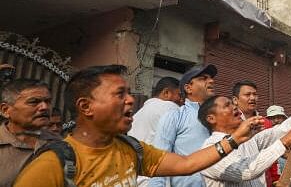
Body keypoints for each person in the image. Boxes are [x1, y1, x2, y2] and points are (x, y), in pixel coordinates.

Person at [13, 65, 263, 187]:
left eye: (129, 92)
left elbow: (186, 165)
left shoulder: (130, 148)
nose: (131, 100)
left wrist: (233, 140)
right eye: (119, 94)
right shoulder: (52, 165)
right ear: (86, 107)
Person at [199, 83, 291, 187]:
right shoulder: (209, 151)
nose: (234, 107)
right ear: (211, 119)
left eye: (232, 104)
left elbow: (283, 129)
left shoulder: (248, 140)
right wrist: (286, 141)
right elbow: (248, 170)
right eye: (227, 105)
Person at [149, 64, 218, 187]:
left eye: (211, 78)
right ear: (188, 88)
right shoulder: (174, 117)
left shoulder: (221, 116)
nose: (211, 81)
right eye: (203, 78)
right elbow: (159, 162)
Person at [0, 79, 58, 186]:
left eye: (48, 101)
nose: (44, 107)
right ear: (5, 110)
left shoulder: (61, 144)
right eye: (33, 102)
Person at [129, 76, 182, 186]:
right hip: (155, 176)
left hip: (135, 176)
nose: (182, 100)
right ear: (166, 93)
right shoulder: (170, 108)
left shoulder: (138, 114)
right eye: (180, 95)